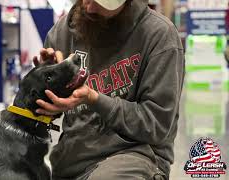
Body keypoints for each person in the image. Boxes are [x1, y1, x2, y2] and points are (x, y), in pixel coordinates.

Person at [35, 0, 185, 179]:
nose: (89, 7)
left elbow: (156, 125)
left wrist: (95, 99)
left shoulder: (159, 36)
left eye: (101, 2)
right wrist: (46, 81)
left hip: (136, 156)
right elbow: (44, 115)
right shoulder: (63, 33)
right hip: (72, 160)